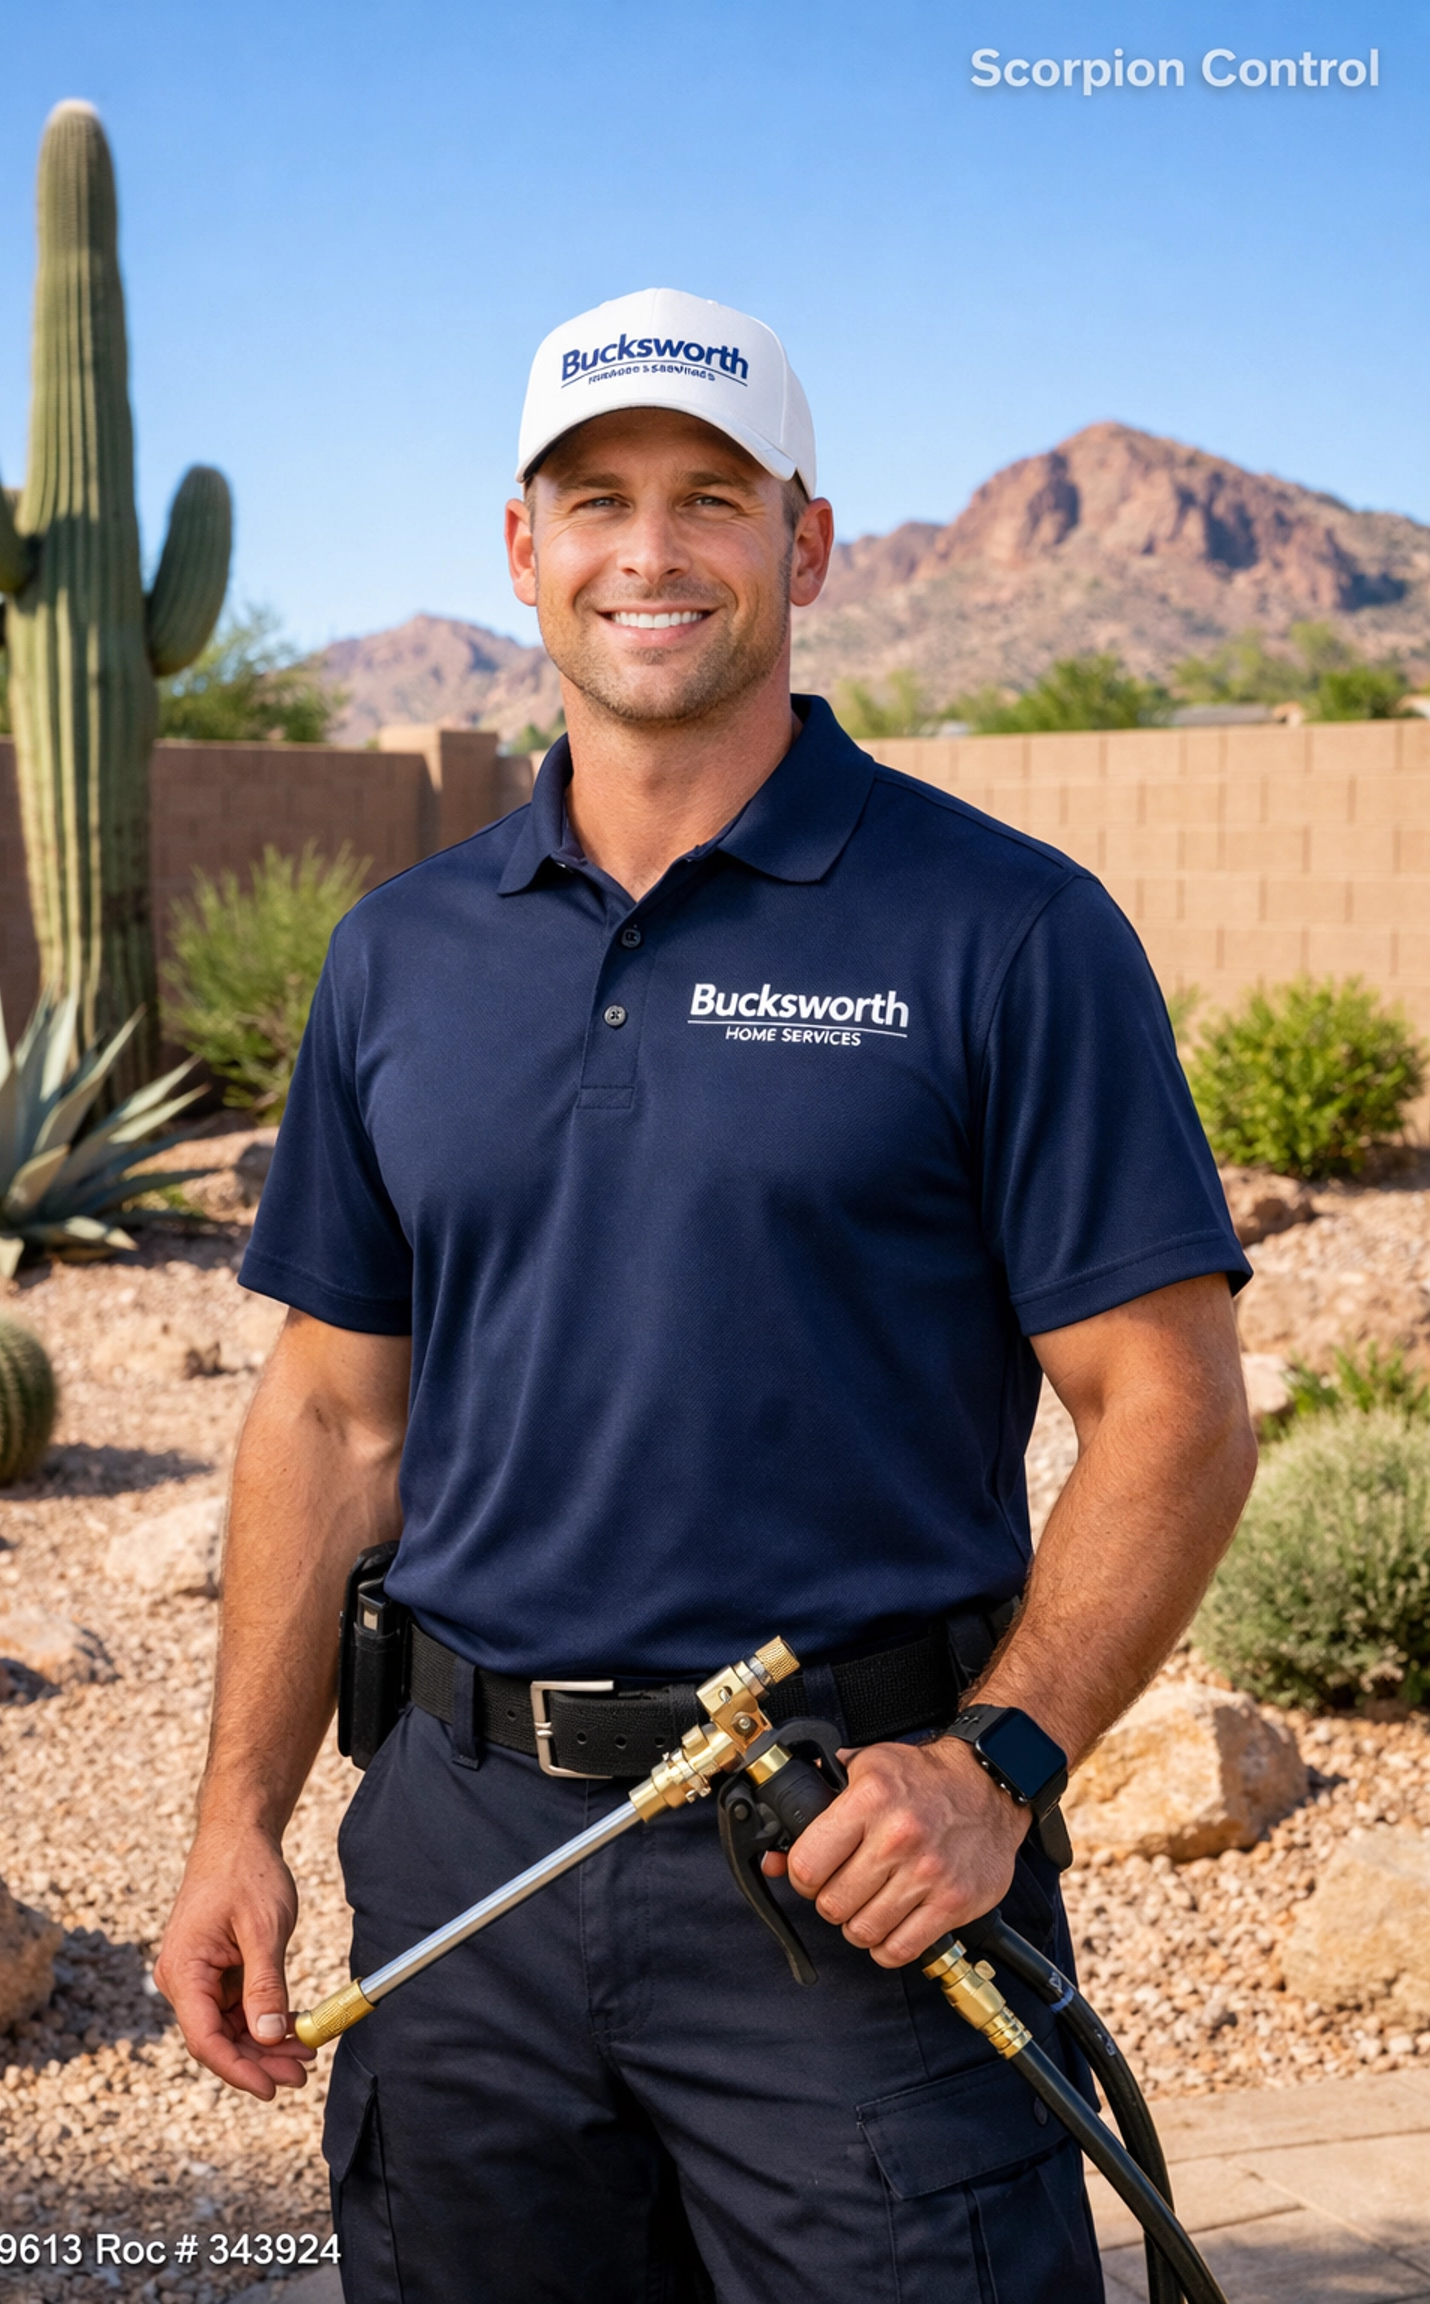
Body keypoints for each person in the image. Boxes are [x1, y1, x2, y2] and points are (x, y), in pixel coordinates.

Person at [156, 287, 1257, 2303]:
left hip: (848, 1878)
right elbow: (330, 1422)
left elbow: (1173, 1402)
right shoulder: (400, 958)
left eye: (707, 499)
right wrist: (237, 1823)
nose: (646, 550)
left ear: (804, 547)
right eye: (595, 500)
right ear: (524, 552)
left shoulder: (1004, 930)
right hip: (464, 1875)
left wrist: (994, 1767)